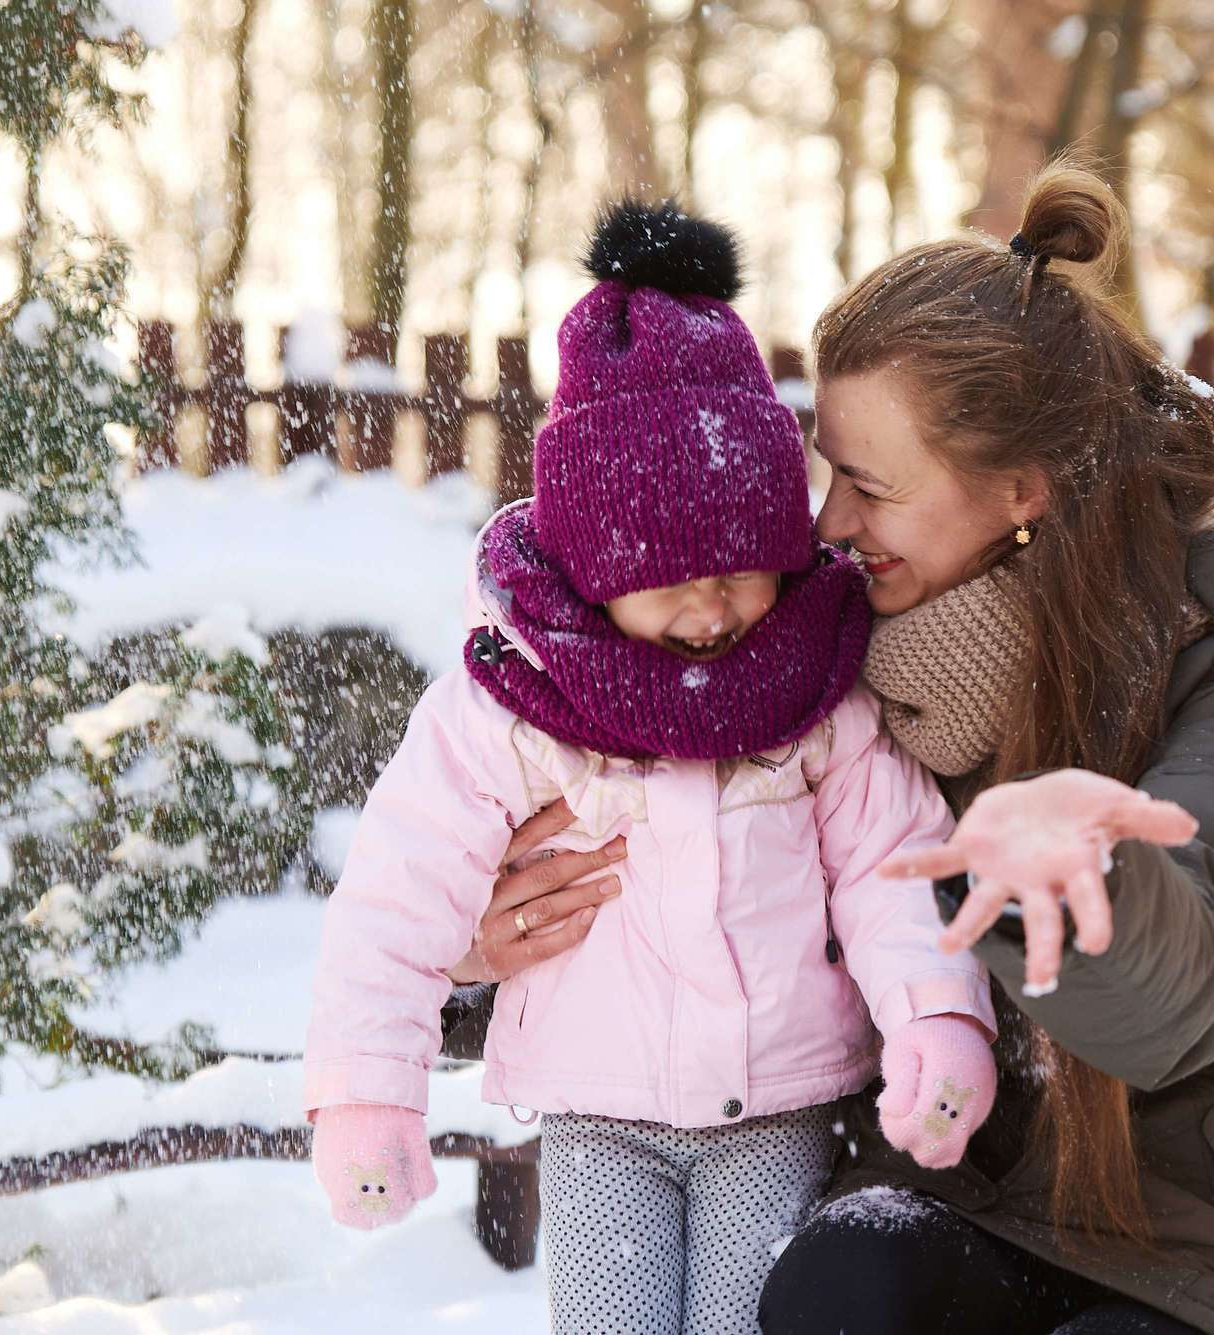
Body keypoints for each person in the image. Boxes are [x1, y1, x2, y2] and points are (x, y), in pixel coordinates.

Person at [459, 164, 1214, 1335]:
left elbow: (1183, 1002)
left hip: (1212, 1247)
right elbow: (697, 893)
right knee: (838, 1285)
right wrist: (481, 953)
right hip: (956, 1184)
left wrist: (1070, 869)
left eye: (867, 484)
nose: (825, 524)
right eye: (825, 472)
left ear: (1019, 492)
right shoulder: (815, 656)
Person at [303, 201, 1004, 1335]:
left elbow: (892, 864)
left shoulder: (812, 687)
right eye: (669, 573)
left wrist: (933, 1020)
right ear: (589, 565)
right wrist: (367, 1090)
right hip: (597, 1123)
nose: (712, 607)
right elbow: (401, 889)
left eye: (744, 568)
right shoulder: (516, 697)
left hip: (777, 1111)